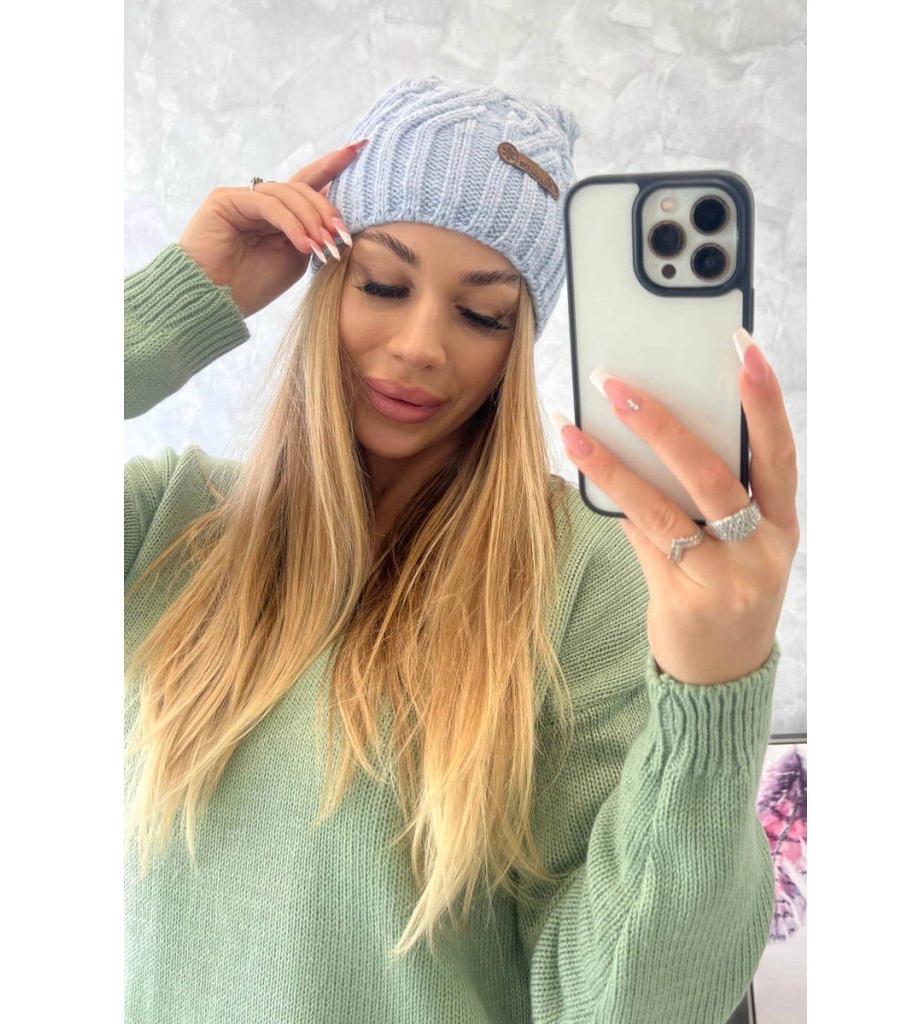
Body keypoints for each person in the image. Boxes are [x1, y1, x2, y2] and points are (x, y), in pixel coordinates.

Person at [124, 75, 799, 1024]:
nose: (419, 346)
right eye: (383, 284)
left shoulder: (586, 579)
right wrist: (169, 307)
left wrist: (714, 694)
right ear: (326, 280)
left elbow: (623, 1005)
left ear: (517, 345)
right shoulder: (166, 522)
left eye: (483, 315)